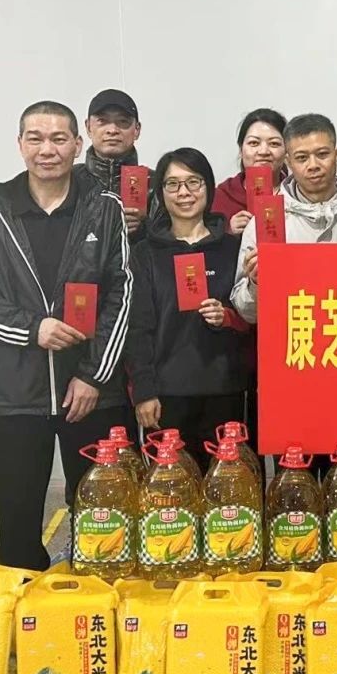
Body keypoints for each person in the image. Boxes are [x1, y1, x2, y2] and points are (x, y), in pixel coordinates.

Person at [0, 101, 132, 571]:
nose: (46, 149)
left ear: (77, 144)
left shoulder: (103, 207)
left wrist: (94, 376)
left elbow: (121, 292)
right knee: (17, 520)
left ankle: (95, 605)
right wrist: (33, 328)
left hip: (90, 391)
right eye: (35, 138)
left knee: (100, 515)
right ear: (20, 145)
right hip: (13, 392)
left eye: (58, 138)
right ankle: (23, 601)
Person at [125, 147, 251, 468]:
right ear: (161, 193)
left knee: (227, 488)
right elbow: (137, 328)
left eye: (194, 182)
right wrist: (143, 392)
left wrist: (226, 317)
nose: (184, 193)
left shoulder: (232, 248)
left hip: (225, 392)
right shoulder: (145, 253)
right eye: (173, 184)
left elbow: (252, 318)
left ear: (208, 187)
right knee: (170, 491)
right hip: (166, 396)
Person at [231, 113, 337, 324]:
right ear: (288, 161)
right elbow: (247, 313)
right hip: (294, 339)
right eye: (302, 158)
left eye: (322, 154)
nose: (313, 165)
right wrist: (255, 284)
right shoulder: (263, 224)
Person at [81, 88, 147, 238]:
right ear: (88, 127)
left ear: (137, 130)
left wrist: (144, 229)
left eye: (122, 121)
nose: (112, 130)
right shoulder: (69, 182)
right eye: (102, 121)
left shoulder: (156, 184)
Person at [211, 108, 288, 236]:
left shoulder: (298, 194)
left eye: (274, 143)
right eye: (254, 143)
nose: (263, 151)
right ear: (241, 149)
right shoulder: (220, 197)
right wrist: (228, 233)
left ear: (286, 150)